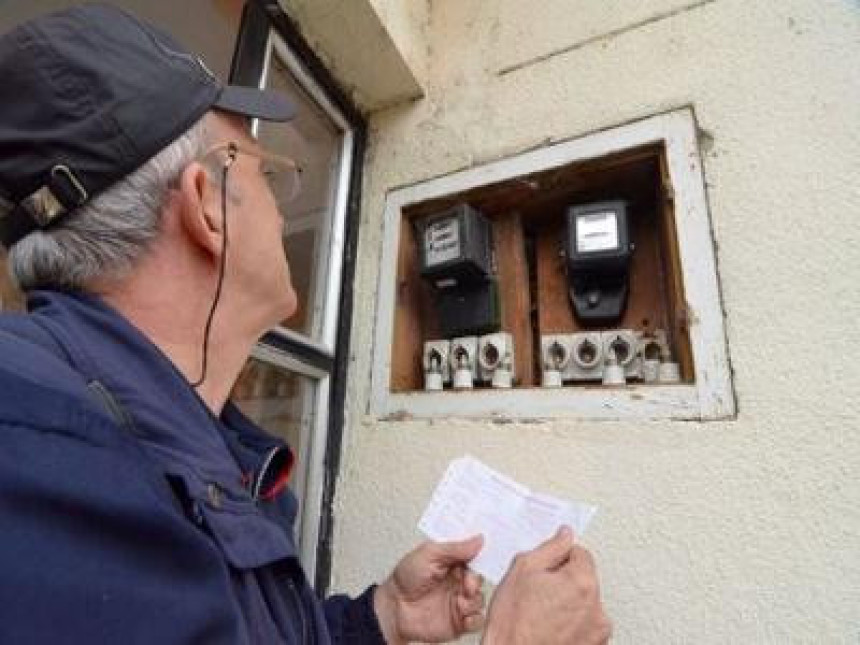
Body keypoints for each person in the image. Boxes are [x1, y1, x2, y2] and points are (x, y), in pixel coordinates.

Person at [0, 5, 611, 644]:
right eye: (265, 173)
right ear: (207, 208)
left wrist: (380, 620)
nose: (274, 203)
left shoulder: (186, 440)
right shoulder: (41, 458)